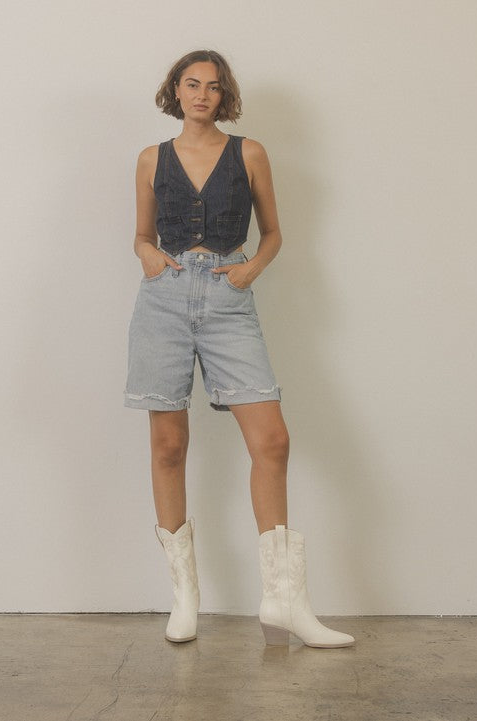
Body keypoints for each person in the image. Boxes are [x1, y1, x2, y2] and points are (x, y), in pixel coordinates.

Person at [124, 49, 355, 649]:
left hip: (229, 299)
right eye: (192, 84)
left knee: (271, 439)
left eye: (213, 86)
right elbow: (142, 234)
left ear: (224, 96)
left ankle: (284, 600)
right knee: (169, 446)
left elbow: (273, 232)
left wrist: (250, 268)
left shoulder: (249, 153)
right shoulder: (151, 158)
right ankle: (184, 598)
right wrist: (147, 254)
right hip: (164, 302)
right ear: (175, 90)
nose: (202, 94)